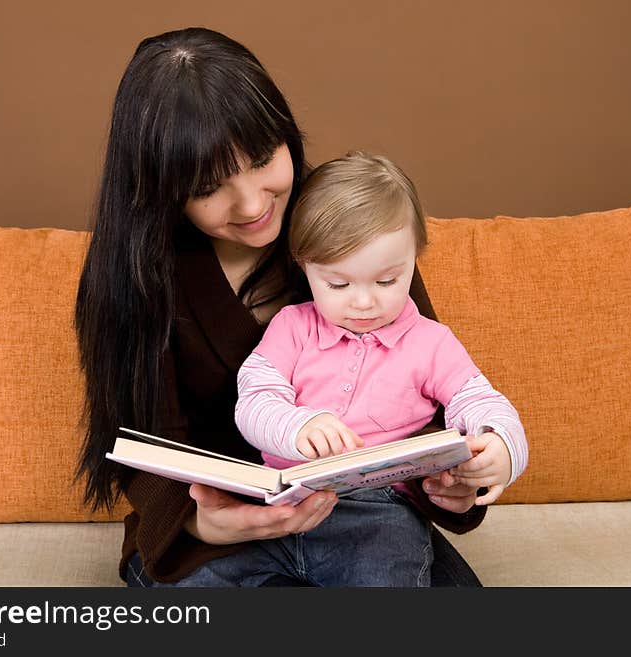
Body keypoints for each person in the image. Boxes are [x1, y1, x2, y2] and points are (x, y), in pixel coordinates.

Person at [75, 26, 490, 588]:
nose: (251, 204)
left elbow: (427, 390)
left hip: (365, 520)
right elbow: (144, 449)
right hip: (209, 541)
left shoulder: (344, 220)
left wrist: (455, 480)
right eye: (208, 187)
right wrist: (208, 524)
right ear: (161, 188)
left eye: (263, 159)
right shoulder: (135, 278)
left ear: (287, 136)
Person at [232, 152, 528, 586]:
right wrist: (298, 426)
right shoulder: (292, 327)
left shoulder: (430, 343)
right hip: (280, 503)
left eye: (387, 281)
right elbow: (254, 398)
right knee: (192, 576)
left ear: (414, 257)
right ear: (304, 265)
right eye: (339, 284)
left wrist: (501, 446)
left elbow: (479, 400)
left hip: (376, 512)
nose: (365, 302)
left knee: (387, 572)